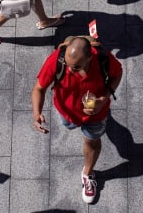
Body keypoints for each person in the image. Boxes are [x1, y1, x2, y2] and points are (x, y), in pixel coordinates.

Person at [31, 37, 123, 204]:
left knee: (92, 141)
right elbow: (39, 88)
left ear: (90, 58)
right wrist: (36, 113)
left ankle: (88, 174)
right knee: (69, 125)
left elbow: (118, 74)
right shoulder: (56, 61)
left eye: (75, 67)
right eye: (67, 63)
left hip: (96, 114)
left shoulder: (104, 59)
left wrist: (104, 99)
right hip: (67, 113)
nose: (69, 69)